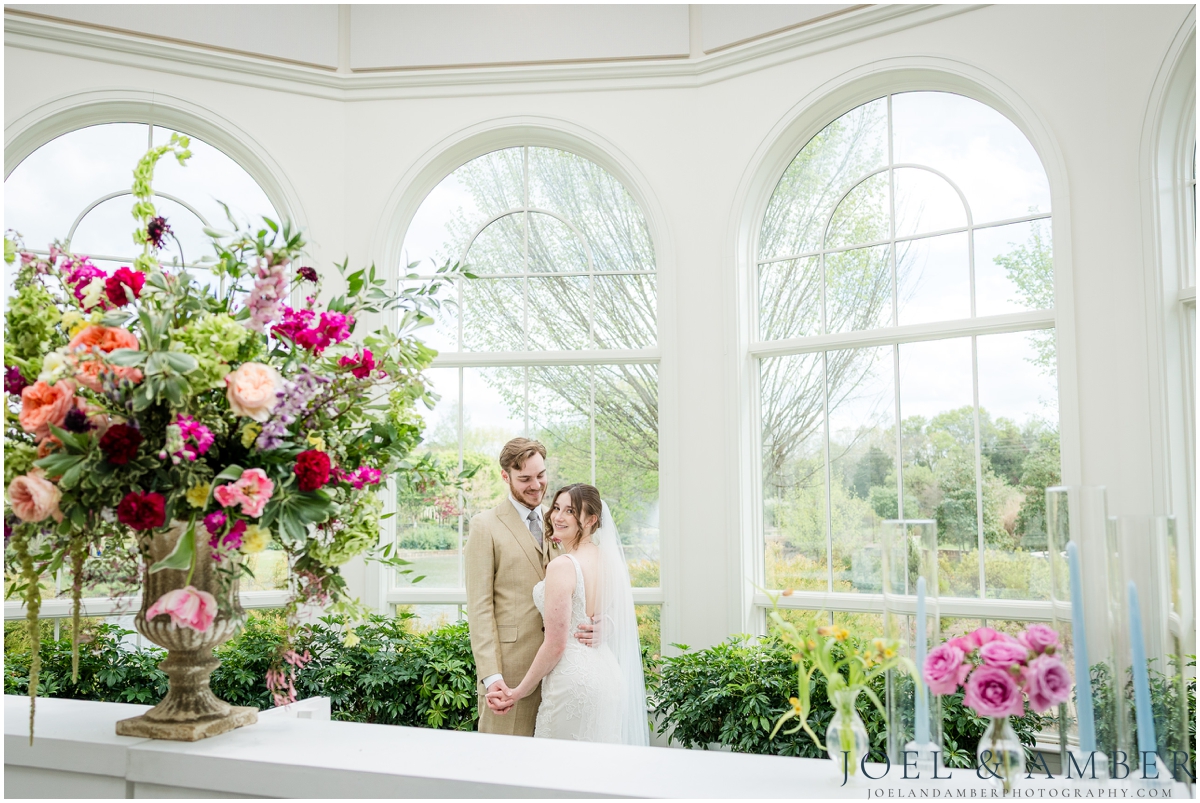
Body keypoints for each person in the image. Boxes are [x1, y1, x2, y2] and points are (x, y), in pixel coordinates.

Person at [487, 483, 649, 745]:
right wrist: (607, 623)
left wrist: (517, 692)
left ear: (591, 519)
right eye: (557, 508)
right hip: (607, 676)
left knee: (557, 771)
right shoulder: (608, 560)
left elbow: (555, 644)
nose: (558, 517)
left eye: (570, 511)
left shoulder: (563, 566)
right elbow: (617, 611)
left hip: (573, 683)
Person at [464, 438, 595, 736]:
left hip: (563, 673)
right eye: (524, 479)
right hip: (510, 674)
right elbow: (479, 608)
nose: (536, 485)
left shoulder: (562, 520)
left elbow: (589, 582)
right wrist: (491, 676)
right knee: (504, 767)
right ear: (505, 476)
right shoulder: (485, 526)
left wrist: (604, 625)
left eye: (541, 475)